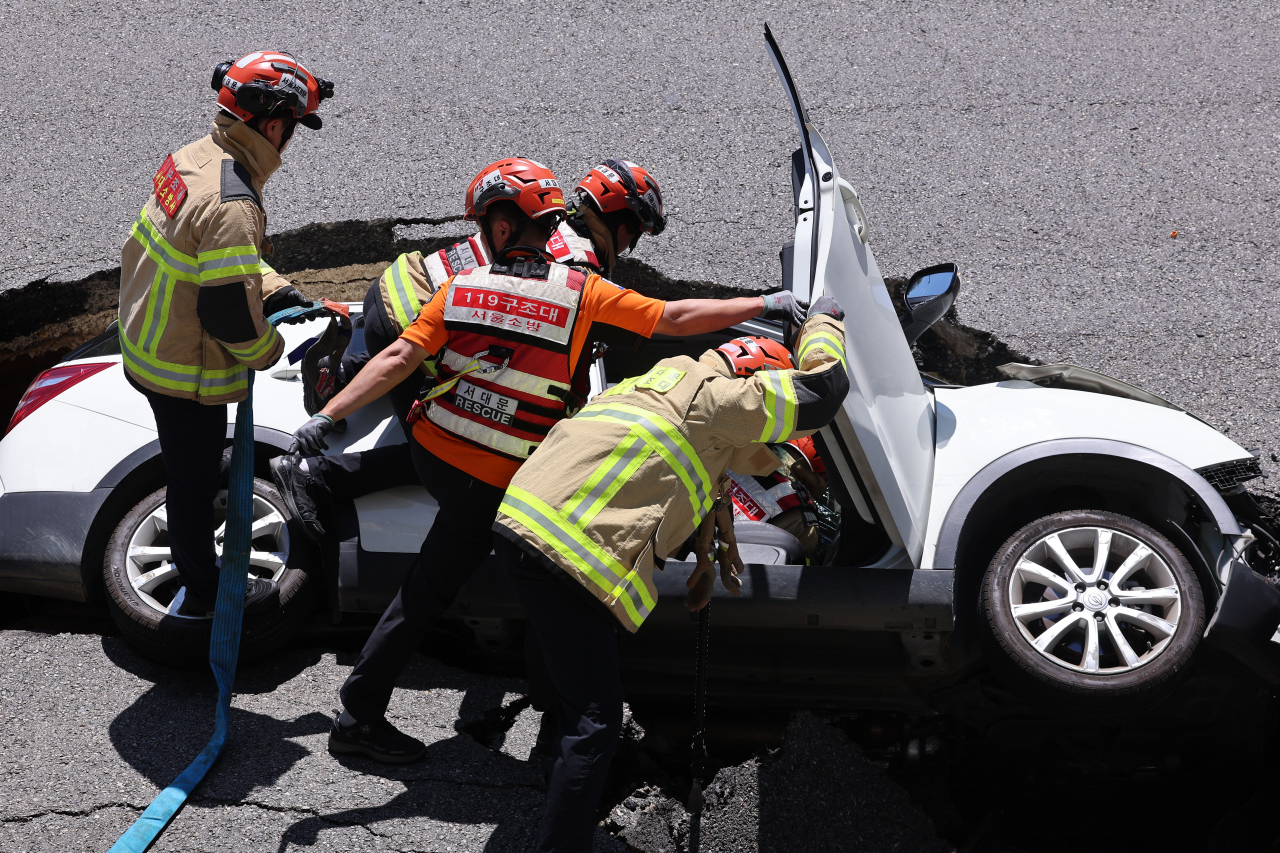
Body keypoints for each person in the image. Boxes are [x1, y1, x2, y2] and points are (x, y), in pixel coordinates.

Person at [286, 158, 808, 763]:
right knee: (536, 584)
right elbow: (666, 320)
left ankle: (366, 706)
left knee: (440, 574)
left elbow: (403, 358)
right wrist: (762, 303)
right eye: (632, 231)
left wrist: (325, 420)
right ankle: (528, 719)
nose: (630, 246)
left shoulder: (485, 275)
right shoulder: (579, 282)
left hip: (439, 435)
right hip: (489, 470)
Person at [492, 298, 848, 851]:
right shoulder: (719, 399)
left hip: (520, 528)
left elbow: (690, 476)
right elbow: (823, 393)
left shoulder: (651, 386)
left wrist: (707, 560)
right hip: (573, 555)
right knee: (597, 723)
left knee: (559, 656)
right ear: (752, 381)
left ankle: (545, 756)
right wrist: (825, 323)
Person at [272, 157, 668, 542]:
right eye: (635, 233)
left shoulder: (551, 222)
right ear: (622, 222)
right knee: (449, 439)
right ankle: (316, 475)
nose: (631, 244)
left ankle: (339, 375)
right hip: (406, 323)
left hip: (393, 291)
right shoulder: (579, 264)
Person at [116, 51, 333, 616]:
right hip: (184, 372)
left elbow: (212, 258)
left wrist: (276, 288)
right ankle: (203, 589)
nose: (289, 141)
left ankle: (198, 550)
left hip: (149, 340)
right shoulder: (235, 201)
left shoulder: (196, 157)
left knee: (192, 465)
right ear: (272, 122)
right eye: (291, 126)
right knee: (191, 482)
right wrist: (270, 350)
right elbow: (230, 314)